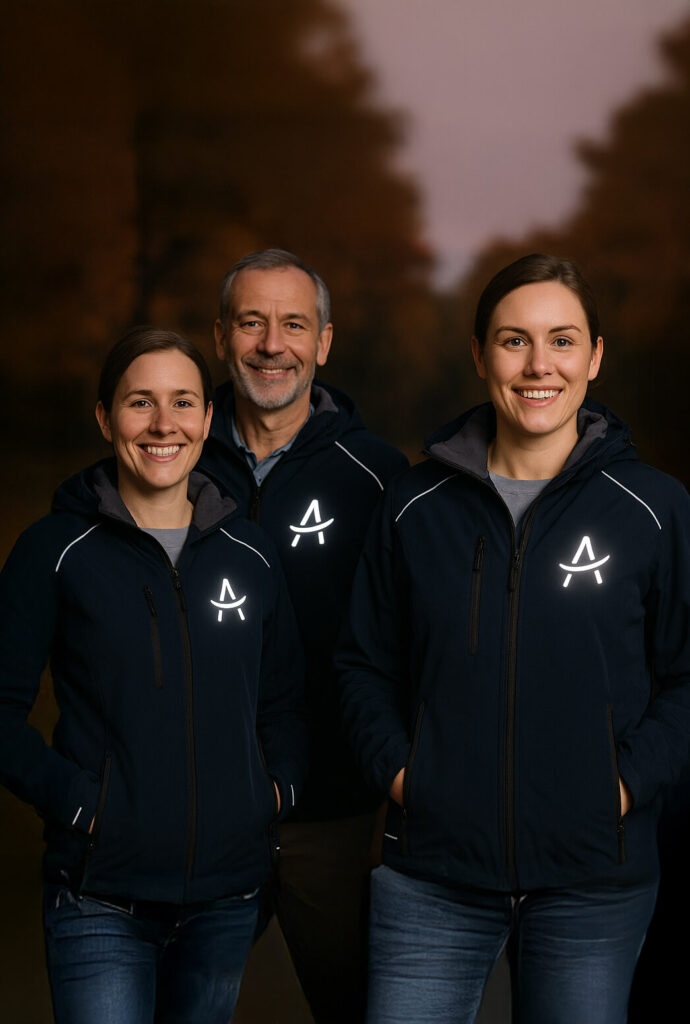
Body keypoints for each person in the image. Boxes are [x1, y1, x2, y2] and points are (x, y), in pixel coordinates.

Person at [337, 253, 690, 1024]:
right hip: (430, 873)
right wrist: (406, 780)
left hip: (596, 878)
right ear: (479, 355)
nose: (539, 366)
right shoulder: (412, 504)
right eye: (513, 340)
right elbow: (361, 664)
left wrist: (619, 789)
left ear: (596, 356)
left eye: (562, 341)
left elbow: (686, 678)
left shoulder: (654, 508)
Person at [0, 327, 307, 1024]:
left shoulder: (249, 553)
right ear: (107, 417)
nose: (164, 424)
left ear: (206, 419)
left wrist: (272, 794)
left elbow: (285, 701)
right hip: (99, 896)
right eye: (141, 403)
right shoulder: (55, 550)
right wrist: (82, 806)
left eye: (182, 403)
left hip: (227, 900)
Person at [199, 248, 408, 1023]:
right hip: (195, 816)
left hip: (339, 821)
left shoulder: (382, 477)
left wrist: (396, 781)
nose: (271, 344)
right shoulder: (165, 457)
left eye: (294, 324)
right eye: (252, 322)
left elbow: (411, 647)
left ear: (324, 342)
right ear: (222, 335)